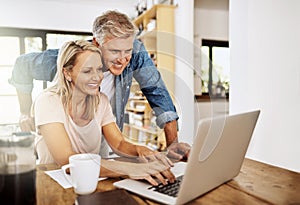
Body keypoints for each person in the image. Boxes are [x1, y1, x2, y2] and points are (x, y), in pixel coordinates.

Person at [9, 10, 190, 160]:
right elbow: (22, 66)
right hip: (60, 145)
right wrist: (25, 111)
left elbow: (156, 91)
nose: (123, 58)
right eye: (114, 51)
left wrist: (172, 144)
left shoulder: (133, 55)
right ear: (96, 42)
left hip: (100, 137)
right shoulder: (69, 58)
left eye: (127, 51)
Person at [34, 40, 175, 186]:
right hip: (53, 187)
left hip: (91, 182)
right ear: (67, 73)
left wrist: (141, 150)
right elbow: (67, 160)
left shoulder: (101, 101)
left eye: (99, 69)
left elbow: (119, 144)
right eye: (87, 71)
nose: (97, 77)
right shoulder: (48, 101)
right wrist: (130, 169)